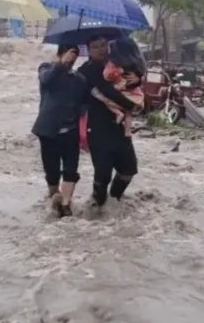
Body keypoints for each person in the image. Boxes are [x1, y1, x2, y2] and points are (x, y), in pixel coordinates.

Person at [78, 35, 142, 207]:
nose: (100, 49)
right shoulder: (86, 70)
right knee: (103, 173)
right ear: (88, 50)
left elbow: (132, 80)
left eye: (103, 45)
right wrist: (131, 105)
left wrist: (138, 79)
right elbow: (106, 90)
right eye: (95, 46)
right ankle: (98, 205)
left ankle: (114, 200)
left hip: (120, 128)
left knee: (129, 169)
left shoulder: (117, 64)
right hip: (97, 127)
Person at [31, 43, 85, 217]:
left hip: (70, 130)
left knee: (70, 169)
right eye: (69, 56)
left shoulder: (78, 79)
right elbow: (47, 80)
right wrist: (61, 64)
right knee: (52, 171)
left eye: (74, 57)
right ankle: (53, 197)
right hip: (48, 130)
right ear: (60, 54)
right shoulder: (46, 69)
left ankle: (66, 203)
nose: (71, 60)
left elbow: (83, 103)